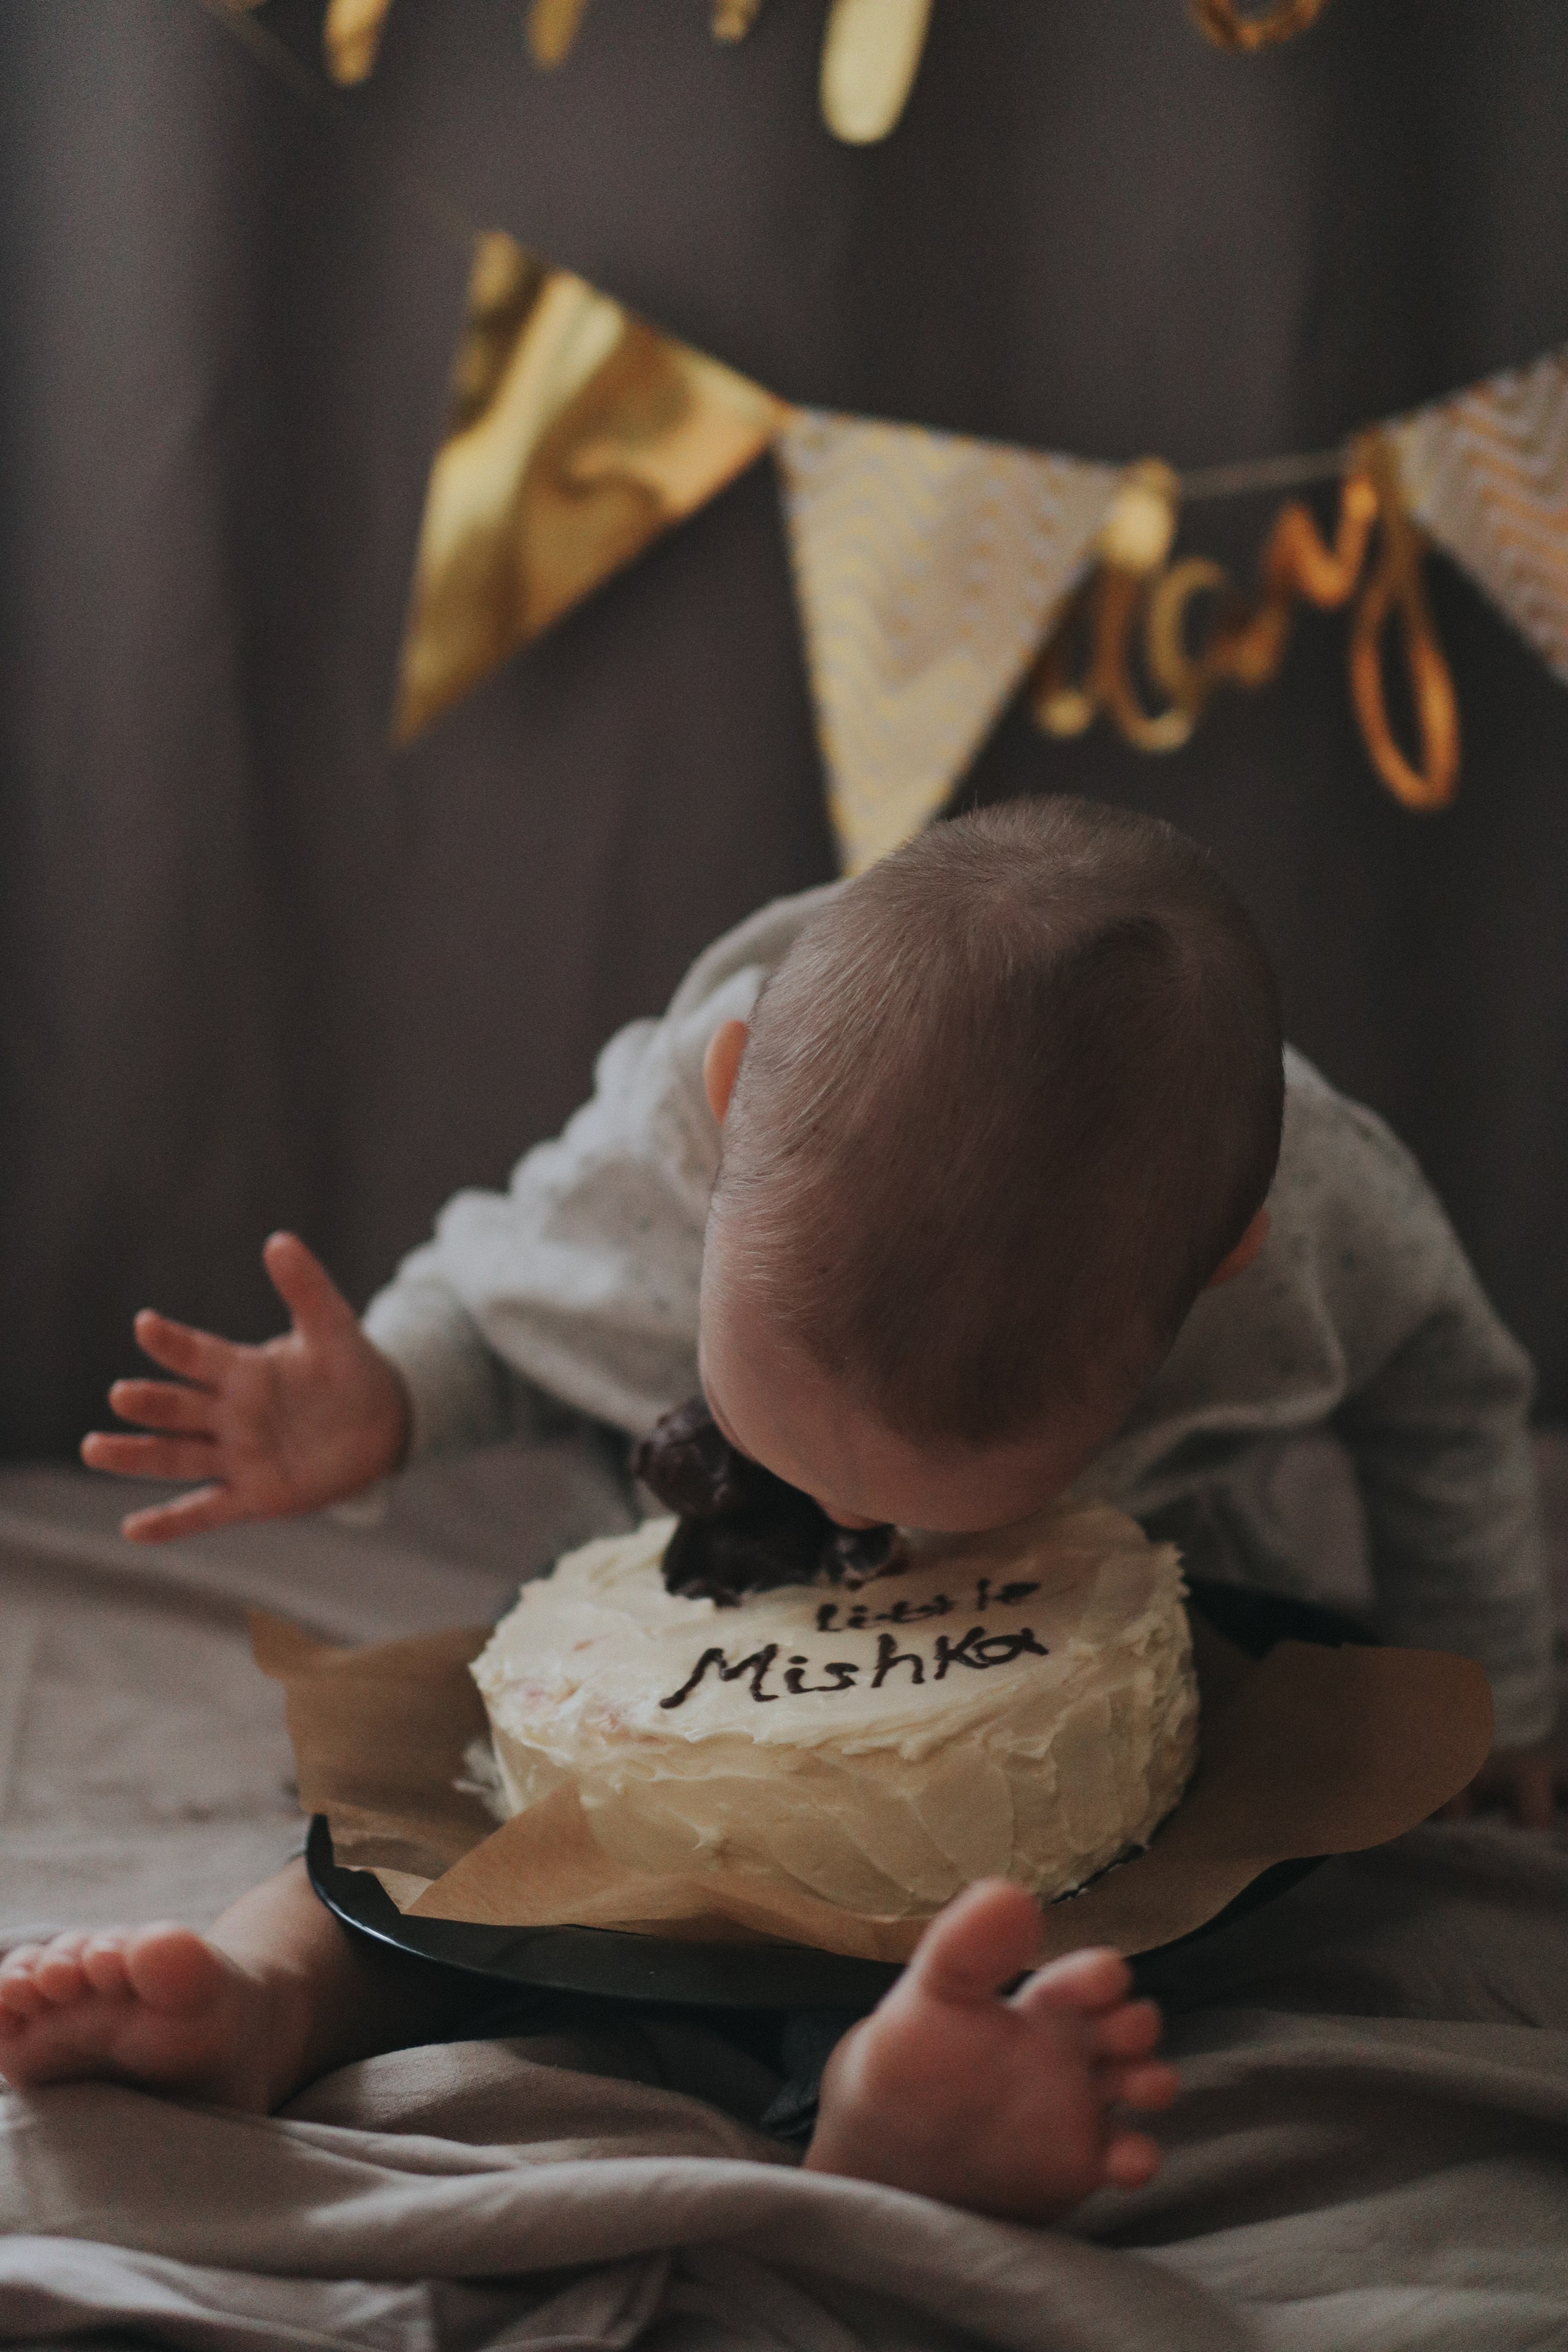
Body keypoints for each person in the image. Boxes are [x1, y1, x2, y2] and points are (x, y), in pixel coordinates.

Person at [2, 797, 1556, 2217]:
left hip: (1085, 1688)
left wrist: (1497, 1693)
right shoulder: (674, 1142)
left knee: (1015, 1907)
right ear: (731, 1105)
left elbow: (1447, 1397)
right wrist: (389, 1397)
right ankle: (264, 1989)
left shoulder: (1322, 1228)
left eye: (935, 1500)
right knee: (445, 1846)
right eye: (790, 1439)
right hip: (670, 1652)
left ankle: (897, 2098)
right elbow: (502, 1312)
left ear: (1221, 1271)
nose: (850, 1531)